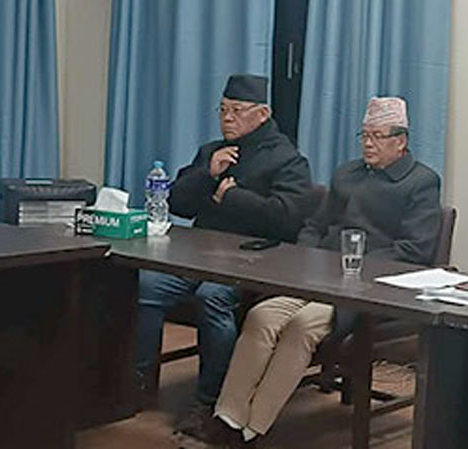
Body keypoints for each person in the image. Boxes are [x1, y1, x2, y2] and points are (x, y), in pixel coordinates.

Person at [202, 97, 441, 447]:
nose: (368, 144)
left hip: (367, 291)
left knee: (301, 327)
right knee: (261, 316)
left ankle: (253, 428)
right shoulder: (346, 174)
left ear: (401, 141)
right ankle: (228, 416)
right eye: (364, 135)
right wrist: (306, 258)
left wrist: (356, 268)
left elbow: (415, 251)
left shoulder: (422, 182)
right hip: (318, 278)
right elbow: (315, 225)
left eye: (378, 136)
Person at [136, 74, 316, 433]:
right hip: (196, 257)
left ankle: (209, 400)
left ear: (262, 114)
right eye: (222, 110)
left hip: (252, 262)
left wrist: (232, 198)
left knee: (213, 297)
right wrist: (207, 174)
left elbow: (287, 220)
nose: (227, 118)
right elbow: (177, 204)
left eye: (237, 110)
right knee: (145, 286)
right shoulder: (212, 151)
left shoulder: (288, 160)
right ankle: (138, 380)